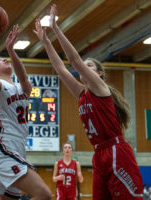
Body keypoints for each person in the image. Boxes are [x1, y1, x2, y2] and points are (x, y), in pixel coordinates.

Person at [33, 4, 143, 200]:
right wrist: (45, 42)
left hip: (116, 151)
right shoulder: (81, 93)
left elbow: (74, 60)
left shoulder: (101, 89)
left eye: (90, 65)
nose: (85, 66)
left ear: (99, 74)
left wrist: (56, 30)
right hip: (99, 154)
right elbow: (60, 69)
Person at [0, 21, 52, 199]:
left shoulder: (20, 87)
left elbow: (23, 77)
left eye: (3, 57)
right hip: (4, 148)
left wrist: (11, 50)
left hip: (18, 147)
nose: (2, 59)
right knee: (44, 194)